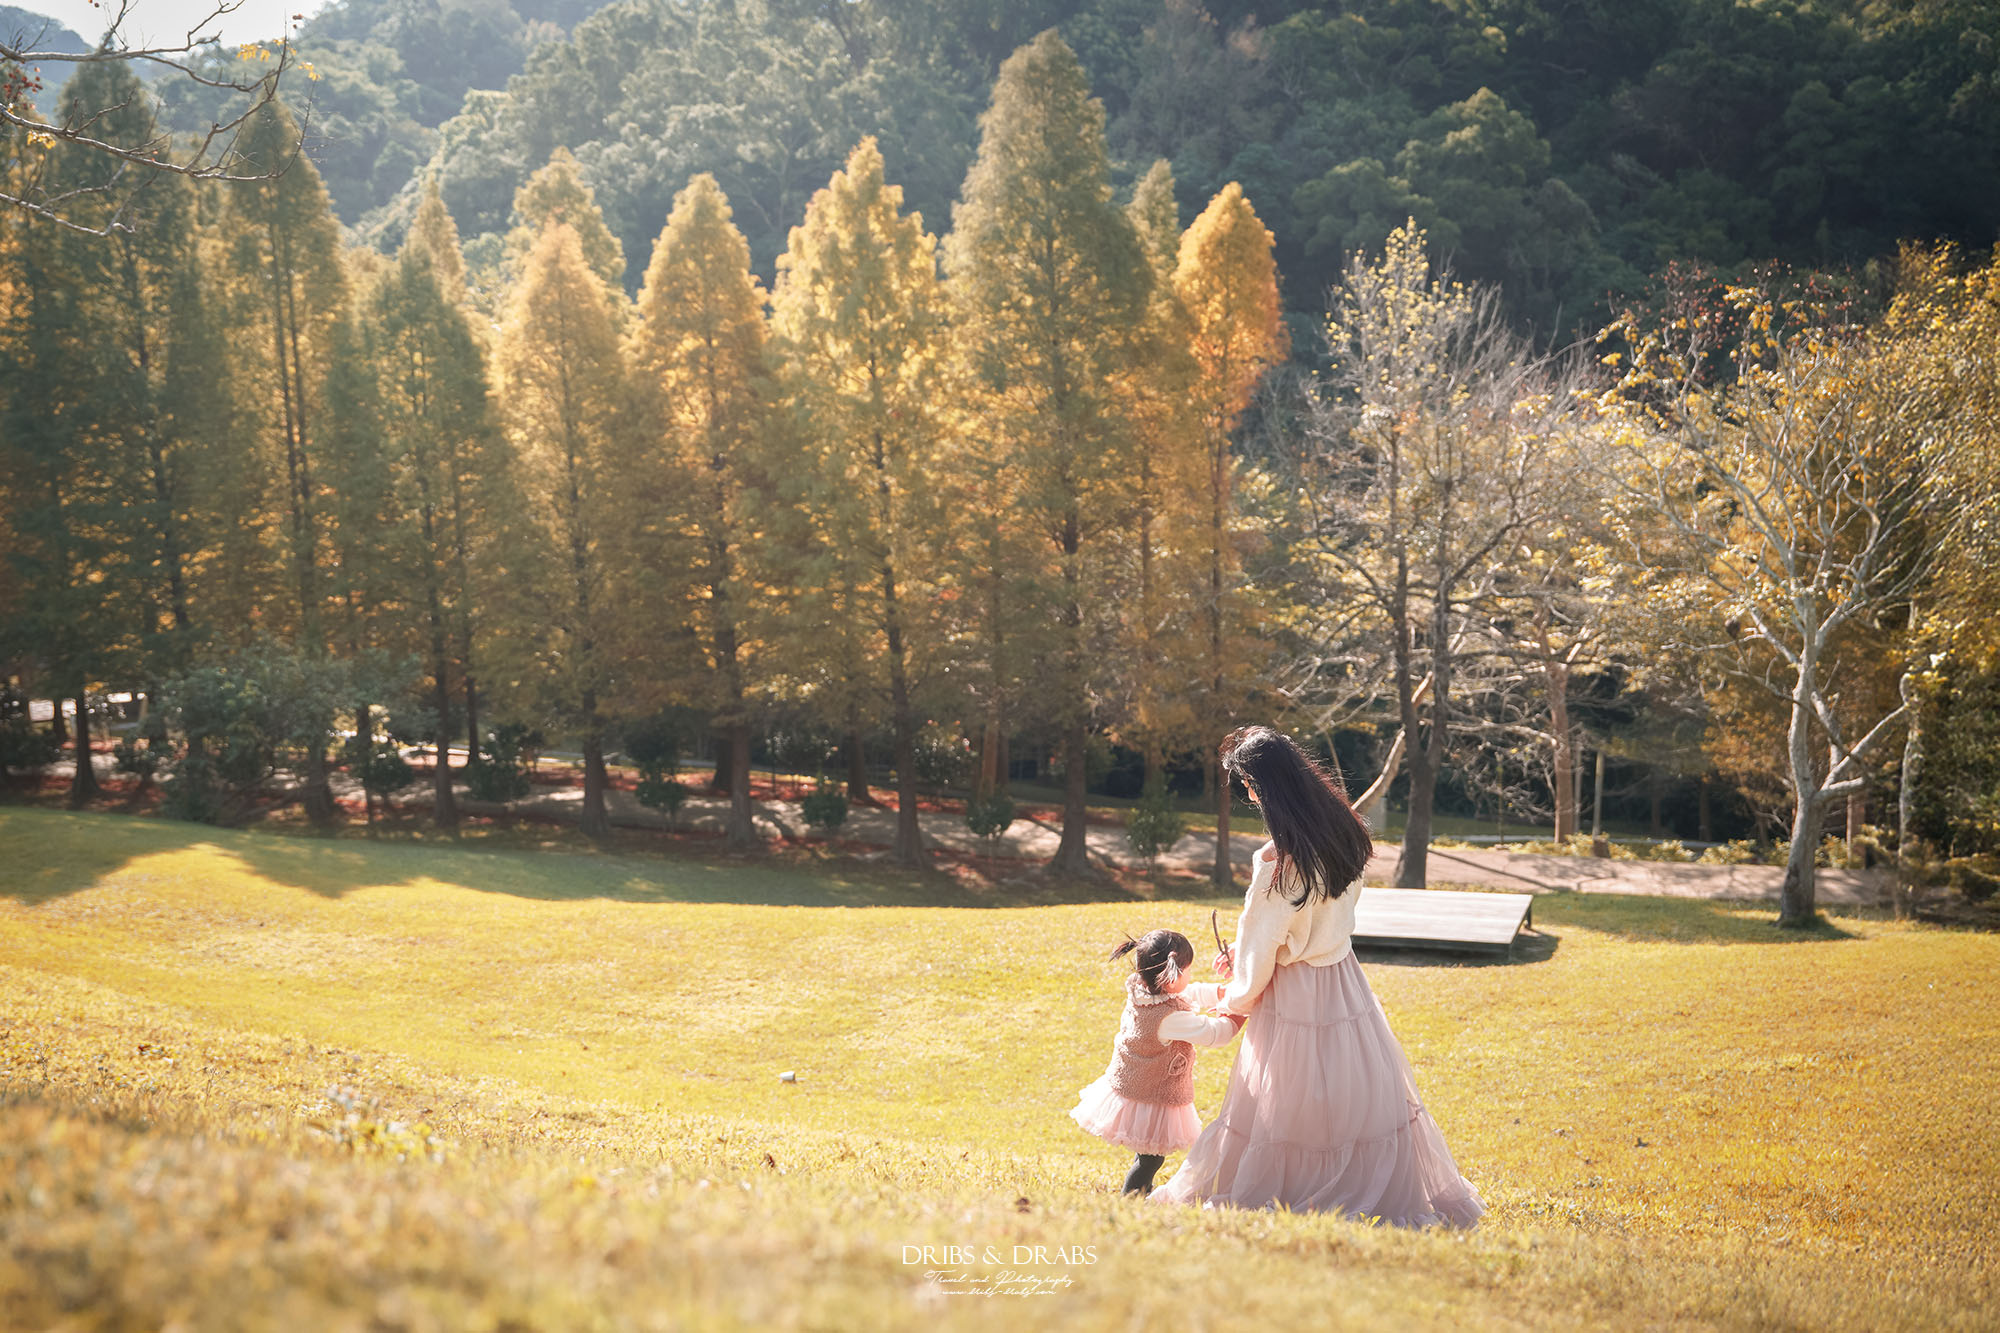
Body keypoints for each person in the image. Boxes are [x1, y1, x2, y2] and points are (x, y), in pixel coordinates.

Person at [1151, 725, 1486, 1226]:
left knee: (1285, 1097)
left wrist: (1235, 999)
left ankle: (1298, 1187)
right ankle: (1353, 1183)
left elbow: (1266, 946)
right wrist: (1252, 951)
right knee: (1350, 1091)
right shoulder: (1343, 834)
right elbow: (1309, 923)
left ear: (1262, 787)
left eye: (1247, 785)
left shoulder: (1279, 864)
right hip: (1342, 978)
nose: (1247, 794)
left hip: (1294, 989)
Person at [1070, 928, 1244, 1195]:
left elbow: (1191, 993)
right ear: (1172, 974)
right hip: (1150, 1094)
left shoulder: (1145, 989)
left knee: (1147, 1156)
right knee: (1151, 1159)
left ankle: (1141, 1192)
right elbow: (1216, 1035)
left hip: (1134, 1084)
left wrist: (1221, 992)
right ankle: (1132, 1200)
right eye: (1187, 970)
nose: (1189, 976)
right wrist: (1239, 1009)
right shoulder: (1169, 1017)